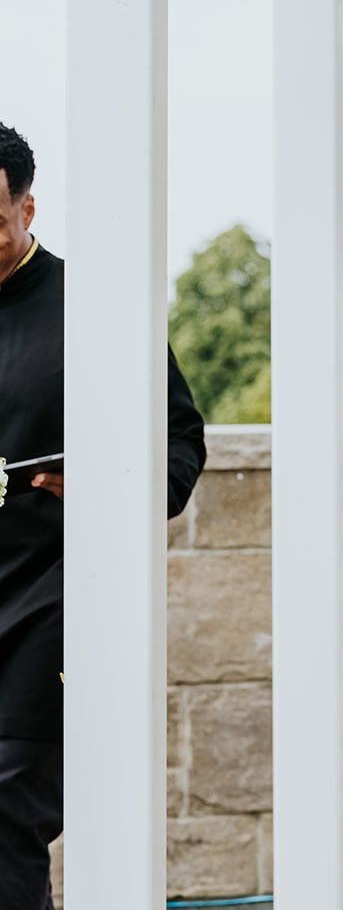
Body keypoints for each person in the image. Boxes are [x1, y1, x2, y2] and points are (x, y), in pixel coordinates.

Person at [0, 122, 208, 910]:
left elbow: (180, 442)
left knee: (6, 814)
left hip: (51, 609)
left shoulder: (93, 311)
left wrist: (110, 489)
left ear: (27, 208)